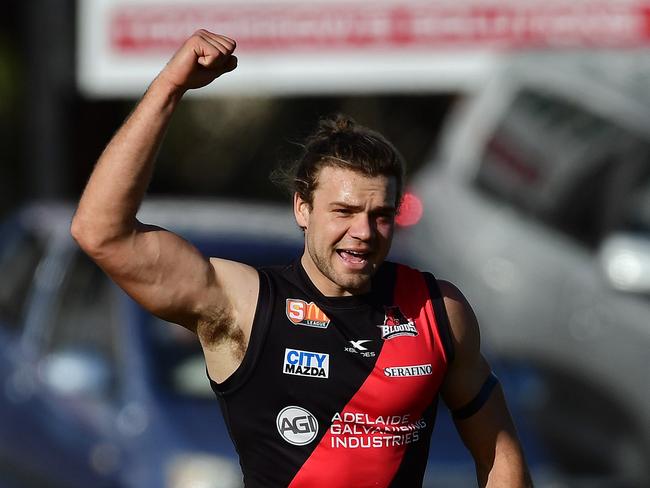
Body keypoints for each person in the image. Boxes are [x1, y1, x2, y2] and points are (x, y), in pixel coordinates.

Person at [71, 29, 532, 487]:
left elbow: (499, 453)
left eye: (381, 215)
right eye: (344, 212)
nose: (363, 232)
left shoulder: (438, 312)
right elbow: (102, 233)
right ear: (302, 208)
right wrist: (170, 88)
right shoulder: (243, 306)